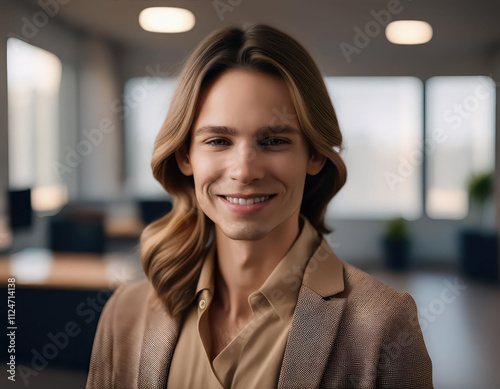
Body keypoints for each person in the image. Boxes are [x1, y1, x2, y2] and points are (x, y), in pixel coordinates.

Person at [86, 24, 433, 389]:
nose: (244, 170)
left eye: (274, 140)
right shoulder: (124, 314)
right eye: (219, 140)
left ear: (314, 155)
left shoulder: (383, 325)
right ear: (185, 156)